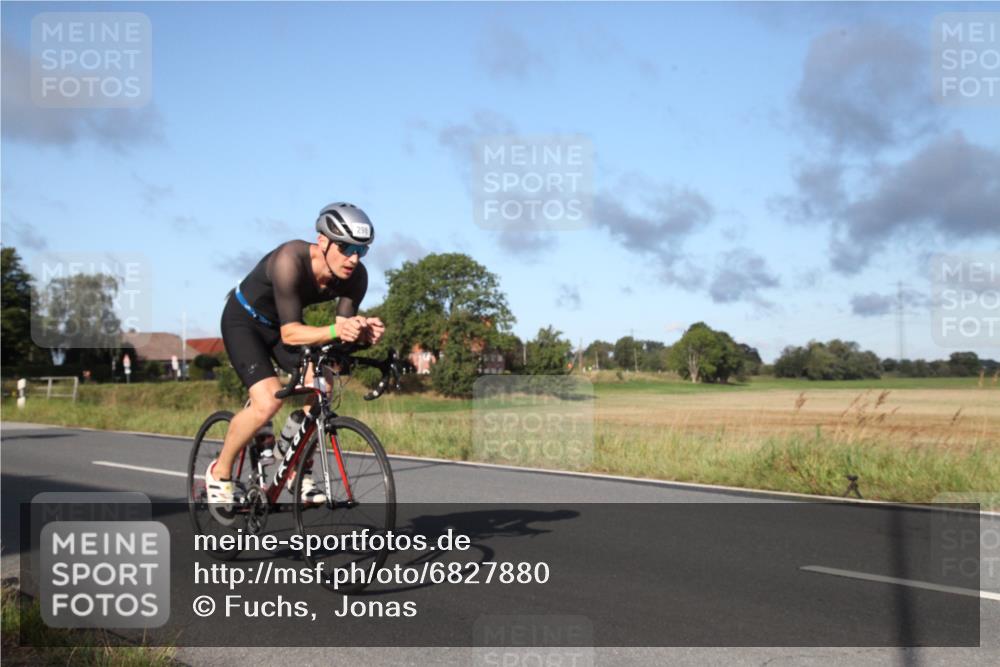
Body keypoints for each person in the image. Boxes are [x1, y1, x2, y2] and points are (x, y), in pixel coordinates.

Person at [207, 202, 385, 513]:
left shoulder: (356, 278)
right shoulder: (290, 259)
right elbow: (293, 334)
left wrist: (360, 334)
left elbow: (337, 338)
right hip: (244, 322)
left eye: (362, 250)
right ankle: (219, 473)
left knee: (324, 384)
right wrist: (338, 329)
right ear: (322, 242)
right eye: (345, 247)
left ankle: (294, 467)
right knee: (267, 401)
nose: (353, 258)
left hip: (281, 328)